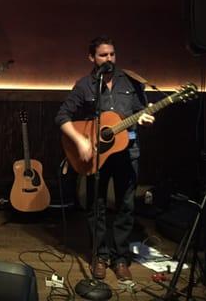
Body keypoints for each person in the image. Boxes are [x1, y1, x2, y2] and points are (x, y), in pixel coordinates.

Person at [55, 37, 154, 282]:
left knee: (125, 206)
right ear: (92, 58)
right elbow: (62, 116)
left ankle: (120, 258)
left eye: (112, 54)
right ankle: (100, 255)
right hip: (96, 155)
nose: (109, 59)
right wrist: (81, 141)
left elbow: (142, 111)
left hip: (128, 152)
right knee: (95, 206)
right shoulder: (85, 85)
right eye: (103, 55)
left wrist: (143, 118)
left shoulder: (131, 81)